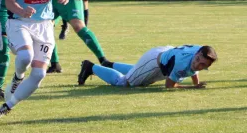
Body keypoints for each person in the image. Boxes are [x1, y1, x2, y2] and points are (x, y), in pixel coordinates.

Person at [78, 45, 216, 89]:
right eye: (198, 60)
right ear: (197, 53)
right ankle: (90, 67)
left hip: (164, 57)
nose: (198, 64)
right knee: (125, 83)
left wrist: (196, 82)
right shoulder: (181, 62)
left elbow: (193, 68)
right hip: (154, 61)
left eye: (203, 64)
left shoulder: (200, 51)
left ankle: (110, 65)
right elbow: (169, 86)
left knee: (141, 76)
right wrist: (193, 87)